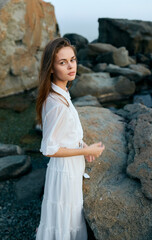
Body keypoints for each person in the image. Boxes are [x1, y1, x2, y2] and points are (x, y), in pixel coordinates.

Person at [35, 37, 105, 240]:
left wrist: (81, 143)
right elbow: (48, 149)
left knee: (66, 219)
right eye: (62, 62)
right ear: (51, 68)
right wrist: (86, 151)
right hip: (64, 173)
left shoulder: (62, 92)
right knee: (66, 221)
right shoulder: (56, 103)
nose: (70, 66)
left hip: (70, 169)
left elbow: (67, 131)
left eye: (72, 59)